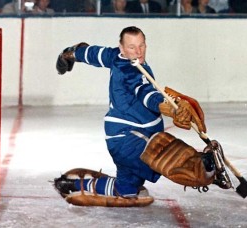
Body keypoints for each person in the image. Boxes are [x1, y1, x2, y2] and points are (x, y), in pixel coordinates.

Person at [54, 26, 229, 206]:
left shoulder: (116, 56)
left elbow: (94, 53)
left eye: (141, 45)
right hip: (129, 138)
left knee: (127, 190)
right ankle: (205, 168)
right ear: (122, 48)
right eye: (132, 47)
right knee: (166, 159)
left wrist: (71, 53)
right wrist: (170, 108)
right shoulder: (130, 72)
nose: (138, 52)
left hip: (132, 134)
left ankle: (71, 184)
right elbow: (145, 93)